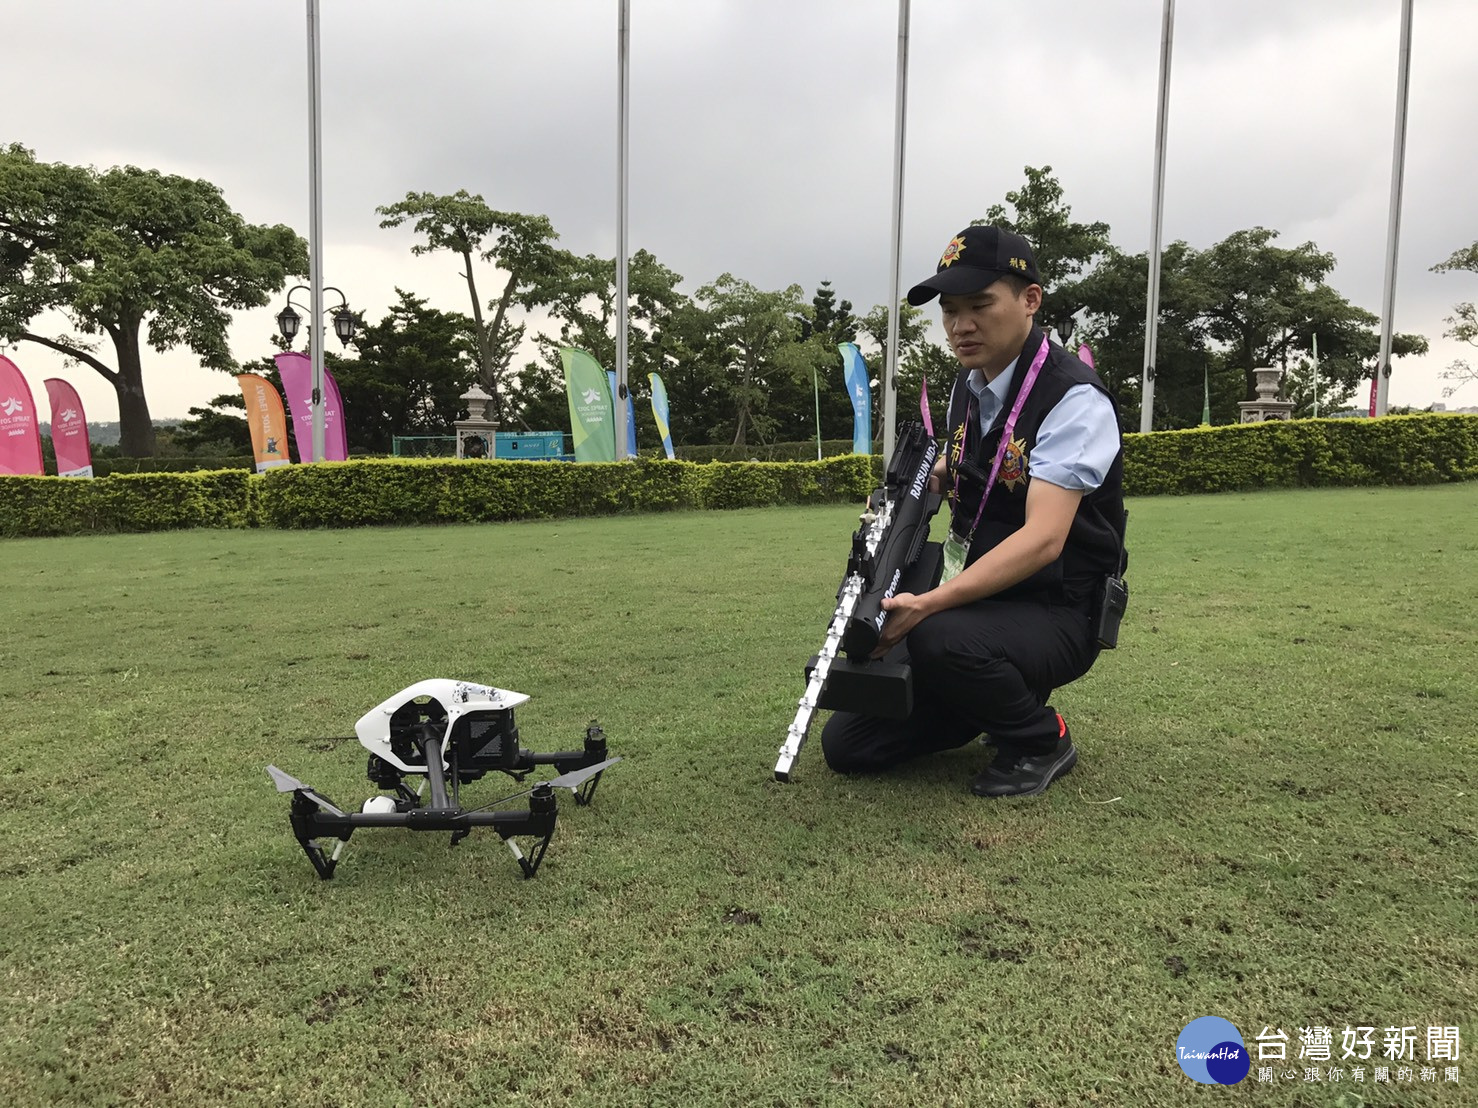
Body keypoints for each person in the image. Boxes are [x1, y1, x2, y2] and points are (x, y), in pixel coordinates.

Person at [820, 225, 1126, 797]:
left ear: (1030, 300)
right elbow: (970, 470)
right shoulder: (969, 384)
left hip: (1059, 605)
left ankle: (1041, 737)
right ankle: (992, 702)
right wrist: (909, 490)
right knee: (850, 746)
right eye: (950, 311)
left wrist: (930, 604)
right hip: (985, 597)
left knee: (937, 637)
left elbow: (1044, 539)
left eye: (980, 306)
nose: (961, 326)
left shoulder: (1072, 398)